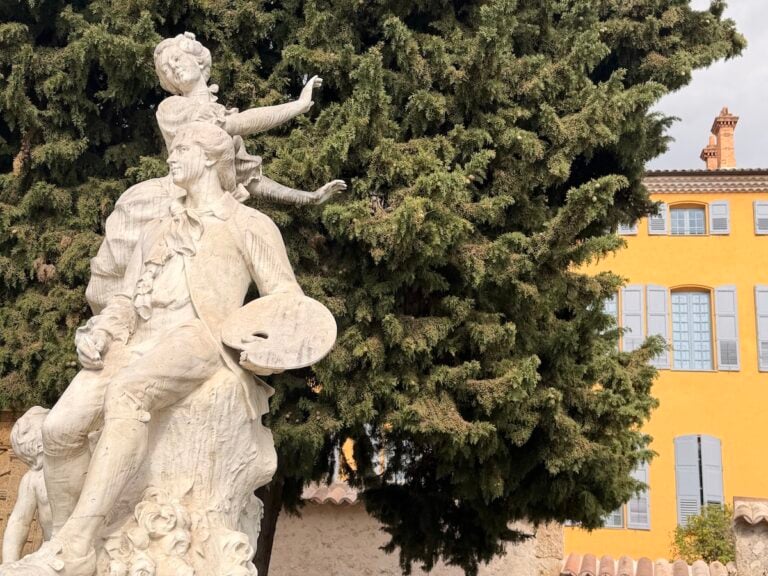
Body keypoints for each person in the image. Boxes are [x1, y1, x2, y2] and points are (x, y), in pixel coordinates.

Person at [0, 122, 326, 576]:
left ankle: (76, 543)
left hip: (201, 337)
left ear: (211, 158)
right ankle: (64, 546)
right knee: (59, 429)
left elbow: (286, 300)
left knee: (129, 393)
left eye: (182, 149)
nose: (171, 157)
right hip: (137, 341)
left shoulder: (248, 224)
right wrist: (99, 332)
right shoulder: (156, 229)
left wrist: (265, 349)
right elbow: (125, 299)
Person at [86, 32, 346, 313]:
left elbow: (252, 180)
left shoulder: (220, 115)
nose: (174, 68)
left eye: (177, 59)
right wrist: (296, 106)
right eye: (167, 69)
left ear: (199, 61)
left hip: (220, 206)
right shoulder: (172, 108)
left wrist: (306, 197)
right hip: (177, 198)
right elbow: (235, 124)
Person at [2, 407, 52, 563]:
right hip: (52, 552)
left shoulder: (82, 464)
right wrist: (10, 564)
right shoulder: (33, 479)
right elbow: (19, 523)